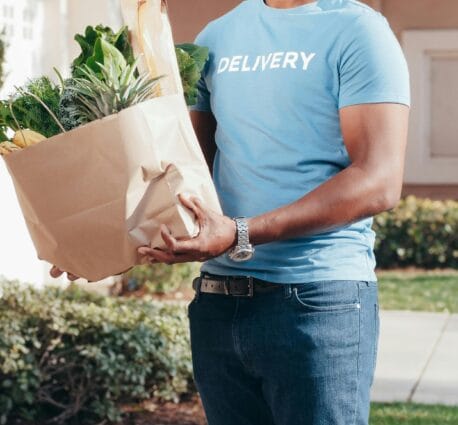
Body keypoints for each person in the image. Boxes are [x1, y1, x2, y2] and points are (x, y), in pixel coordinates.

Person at [54, 0, 410, 424]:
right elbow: (181, 173)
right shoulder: (217, 37)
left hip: (317, 303)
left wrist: (242, 232)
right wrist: (96, 237)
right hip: (219, 305)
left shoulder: (357, 30)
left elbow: (379, 180)